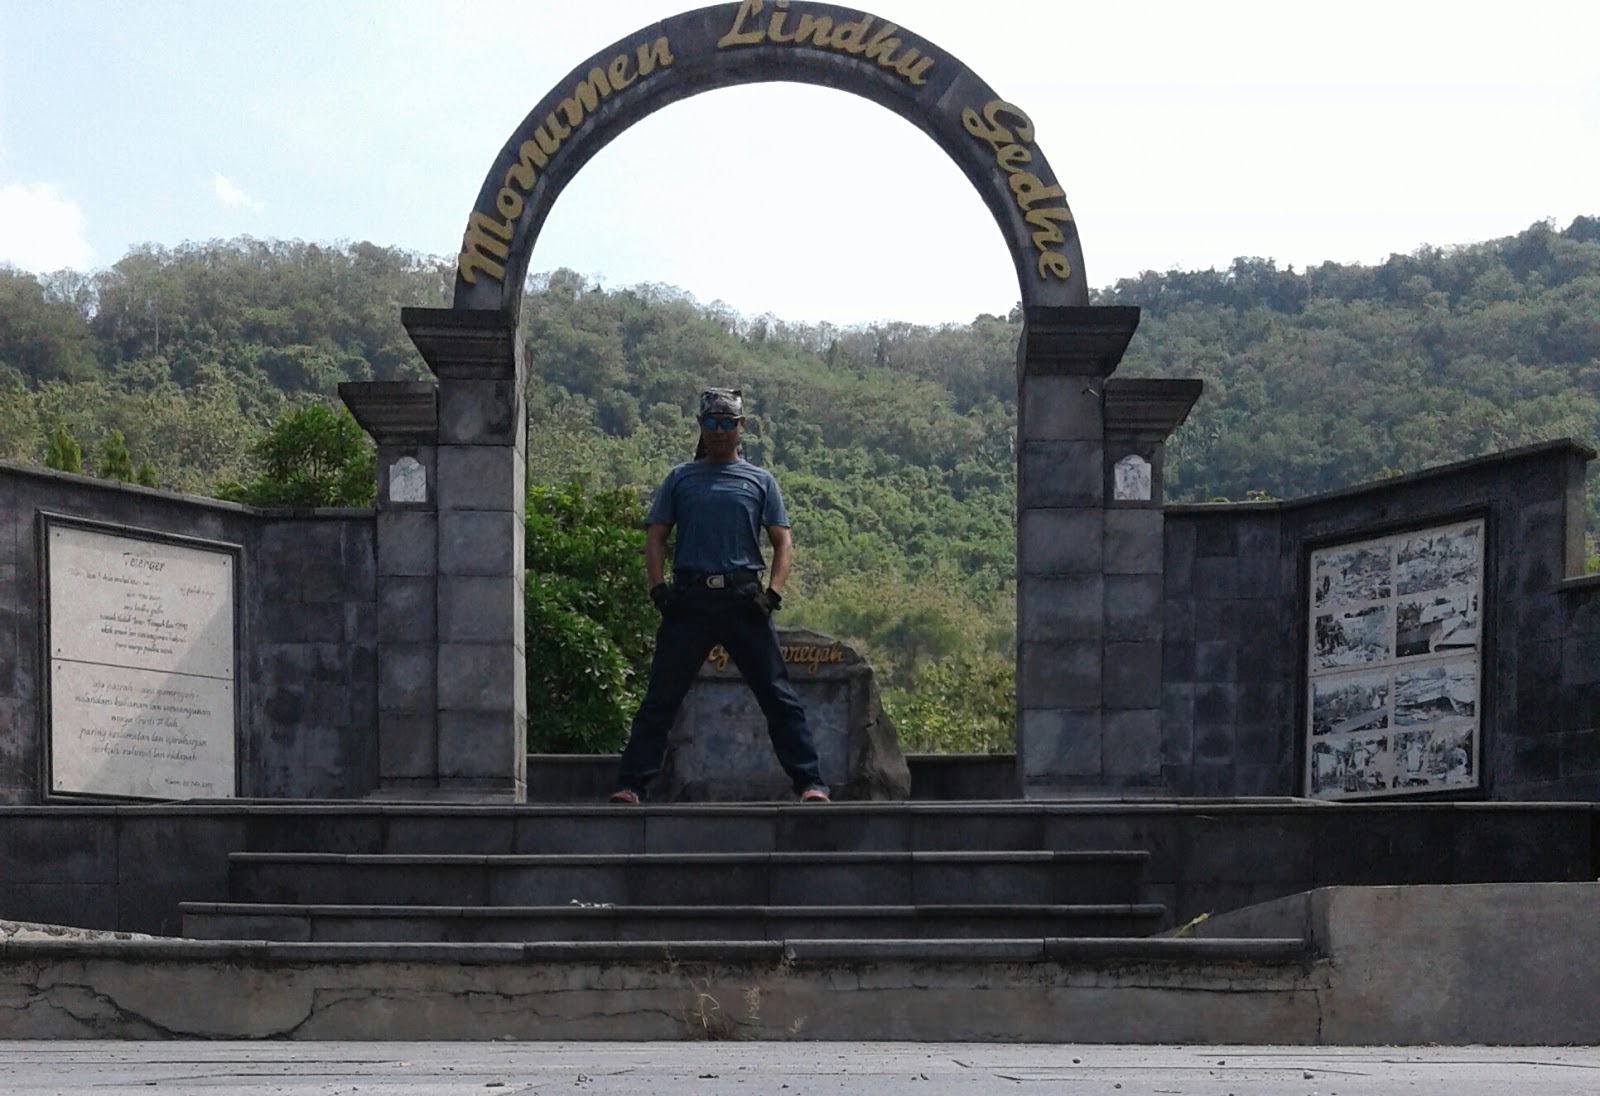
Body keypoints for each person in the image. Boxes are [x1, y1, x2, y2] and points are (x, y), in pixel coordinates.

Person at [609, 387, 830, 804]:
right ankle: (631, 785)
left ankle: (811, 784)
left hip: (743, 600)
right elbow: (655, 536)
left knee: (778, 696)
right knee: (660, 697)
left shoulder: (760, 480)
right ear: (700, 425)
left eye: (727, 423)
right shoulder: (680, 478)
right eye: (711, 422)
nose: (718, 430)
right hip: (689, 600)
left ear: (740, 426)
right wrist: (658, 588)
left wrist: (773, 594)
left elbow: (782, 542)